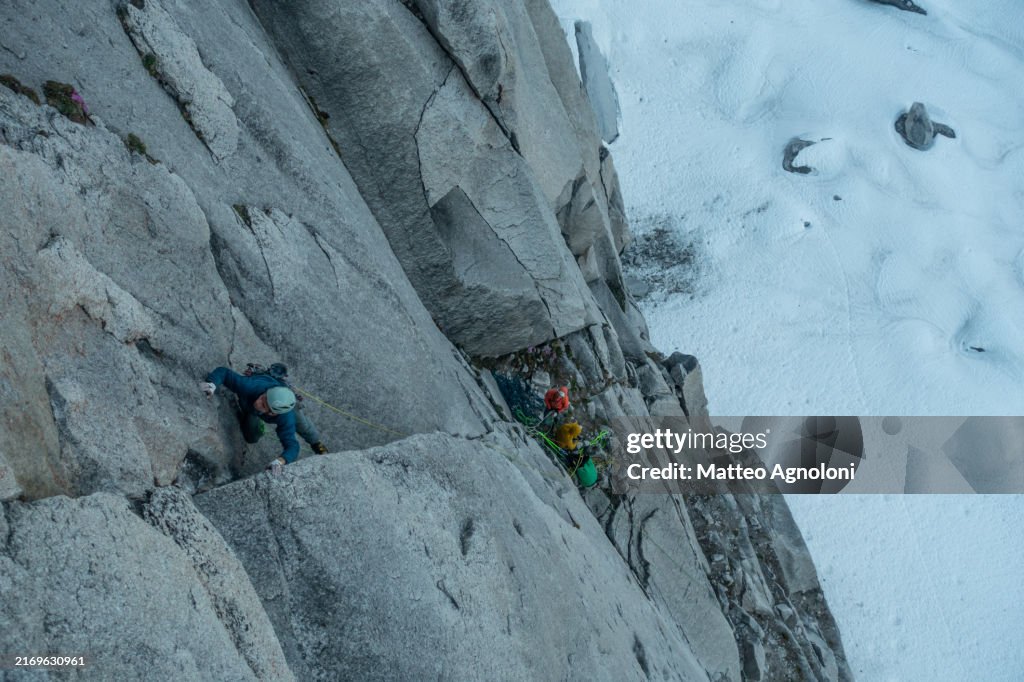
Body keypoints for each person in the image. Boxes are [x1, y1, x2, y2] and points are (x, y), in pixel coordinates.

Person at [200, 365, 326, 474]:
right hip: (255, 405)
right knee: (251, 437)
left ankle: (316, 443)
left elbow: (292, 446)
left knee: (302, 424)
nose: (258, 402)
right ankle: (256, 418)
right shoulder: (252, 387)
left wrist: (281, 461)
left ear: (272, 414)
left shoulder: (285, 416)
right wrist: (212, 384)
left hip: (283, 407)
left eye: (264, 405)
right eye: (263, 398)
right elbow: (224, 372)